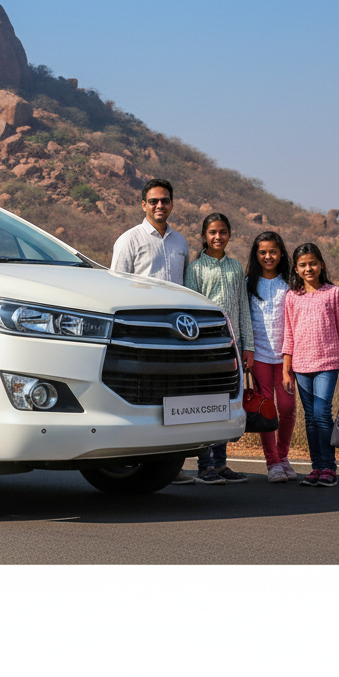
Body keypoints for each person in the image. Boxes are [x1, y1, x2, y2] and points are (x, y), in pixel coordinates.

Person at [111, 178, 195, 484]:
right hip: (143, 334)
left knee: (176, 398)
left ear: (172, 204)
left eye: (166, 200)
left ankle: (172, 467)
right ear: (143, 204)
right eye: (154, 201)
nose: (160, 205)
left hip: (178, 332)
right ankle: (135, 462)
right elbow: (115, 288)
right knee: (149, 399)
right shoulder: (129, 240)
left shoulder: (180, 242)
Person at [183, 213, 254, 483]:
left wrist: (249, 347)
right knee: (206, 406)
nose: (217, 237)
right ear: (204, 236)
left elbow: (243, 309)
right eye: (212, 232)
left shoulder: (236, 268)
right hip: (206, 347)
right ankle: (205, 464)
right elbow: (190, 310)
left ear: (229, 235)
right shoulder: (196, 269)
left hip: (232, 347)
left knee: (226, 405)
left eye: (223, 232)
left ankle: (222, 463)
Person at [282, 242, 339, 487]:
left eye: (313, 263)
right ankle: (316, 468)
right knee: (310, 418)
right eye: (303, 265)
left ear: (321, 264)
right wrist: (286, 368)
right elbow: (288, 334)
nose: (308, 268)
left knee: (323, 414)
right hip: (301, 366)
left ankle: (329, 468)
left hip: (328, 363)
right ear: (296, 268)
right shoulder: (292, 297)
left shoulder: (334, 293)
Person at [245, 231, 297, 482]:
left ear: (281, 254)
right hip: (260, 357)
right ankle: (272, 463)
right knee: (267, 410)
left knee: (287, 408)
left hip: (287, 357)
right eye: (263, 252)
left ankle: (283, 456)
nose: (268, 256)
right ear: (256, 255)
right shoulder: (248, 284)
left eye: (273, 252)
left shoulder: (291, 283)